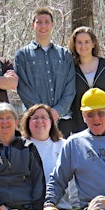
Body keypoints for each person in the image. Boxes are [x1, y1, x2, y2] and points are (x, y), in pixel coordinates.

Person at [15, 7, 76, 137]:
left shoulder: (65, 55)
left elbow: (70, 89)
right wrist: (42, 114)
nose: (43, 26)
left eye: (47, 22)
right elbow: (23, 88)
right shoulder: (22, 55)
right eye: (39, 22)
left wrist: (57, 111)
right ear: (32, 25)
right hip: (35, 121)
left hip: (62, 119)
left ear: (52, 25)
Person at [20, 104, 79, 210]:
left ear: (52, 122)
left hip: (61, 208)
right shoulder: (19, 147)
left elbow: (74, 181)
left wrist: (76, 206)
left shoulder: (65, 145)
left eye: (44, 117)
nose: (39, 121)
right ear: (27, 122)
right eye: (35, 118)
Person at [68, 26, 105, 134]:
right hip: (79, 124)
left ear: (93, 43)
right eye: (79, 42)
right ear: (74, 45)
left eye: (87, 42)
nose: (83, 46)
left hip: (104, 123)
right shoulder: (71, 68)